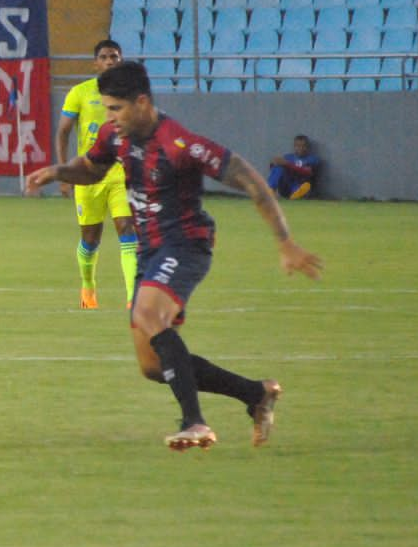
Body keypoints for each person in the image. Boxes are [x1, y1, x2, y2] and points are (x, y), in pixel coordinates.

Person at [26, 61, 323, 451]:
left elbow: (250, 179)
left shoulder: (179, 143)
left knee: (150, 315)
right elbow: (92, 169)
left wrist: (285, 241)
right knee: (152, 366)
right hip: (151, 249)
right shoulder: (115, 136)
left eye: (115, 108)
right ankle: (256, 394)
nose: (109, 117)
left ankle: (195, 423)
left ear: (142, 101)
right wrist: (59, 171)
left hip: (185, 243)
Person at [54, 39, 139, 309]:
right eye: (104, 57)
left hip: (121, 173)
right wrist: (65, 172)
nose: (110, 61)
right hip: (88, 174)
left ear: (120, 60)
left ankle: (132, 298)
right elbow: (63, 132)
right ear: (95, 62)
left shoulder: (131, 96)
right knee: (90, 239)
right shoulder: (80, 93)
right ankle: (88, 288)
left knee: (127, 230)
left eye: (114, 56)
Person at [267, 134, 319, 199]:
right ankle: (270, 190)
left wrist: (287, 164)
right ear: (294, 147)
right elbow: (274, 170)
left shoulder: (312, 159)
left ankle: (295, 196)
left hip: (299, 184)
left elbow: (307, 172)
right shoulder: (288, 157)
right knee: (278, 167)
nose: (301, 148)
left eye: (303, 146)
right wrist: (273, 163)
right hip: (286, 185)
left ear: (307, 147)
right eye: (298, 146)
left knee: (306, 186)